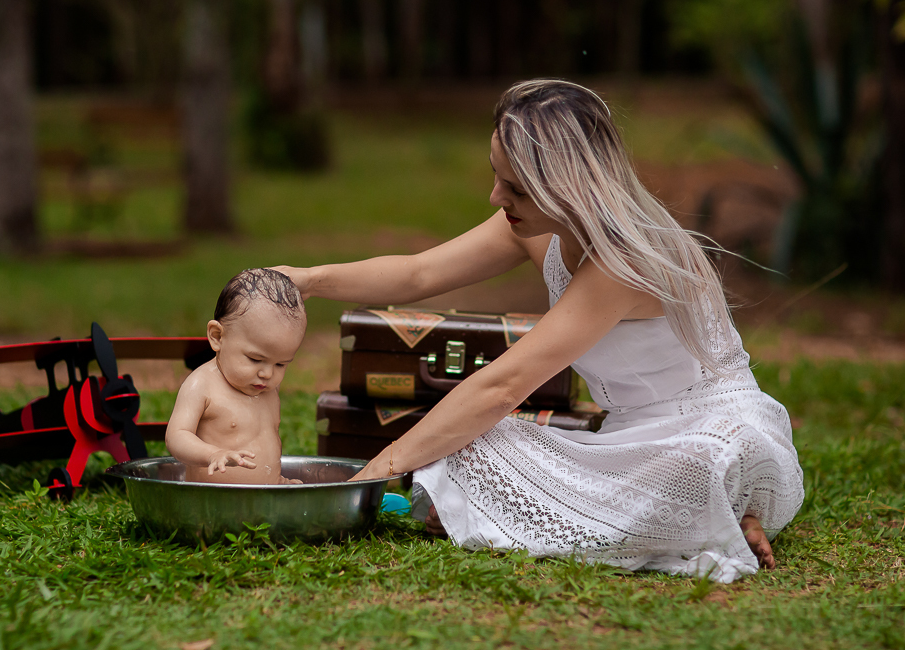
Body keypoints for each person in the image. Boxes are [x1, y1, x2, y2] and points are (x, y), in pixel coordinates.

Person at [276, 79, 804, 582]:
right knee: (477, 443)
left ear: (567, 187)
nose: (495, 197)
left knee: (693, 463)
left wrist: (371, 476)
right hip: (624, 439)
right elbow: (420, 273)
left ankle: (719, 515)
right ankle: (709, 522)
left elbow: (502, 388)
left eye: (515, 188)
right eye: (496, 175)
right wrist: (309, 279)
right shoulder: (534, 226)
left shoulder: (623, 263)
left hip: (713, 436)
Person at [166, 268, 306, 485]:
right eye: (255, 359)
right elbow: (176, 437)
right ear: (217, 337)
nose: (267, 374)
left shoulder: (265, 387)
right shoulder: (202, 384)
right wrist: (212, 454)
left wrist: (277, 481)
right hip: (214, 497)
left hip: (265, 495)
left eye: (281, 364)